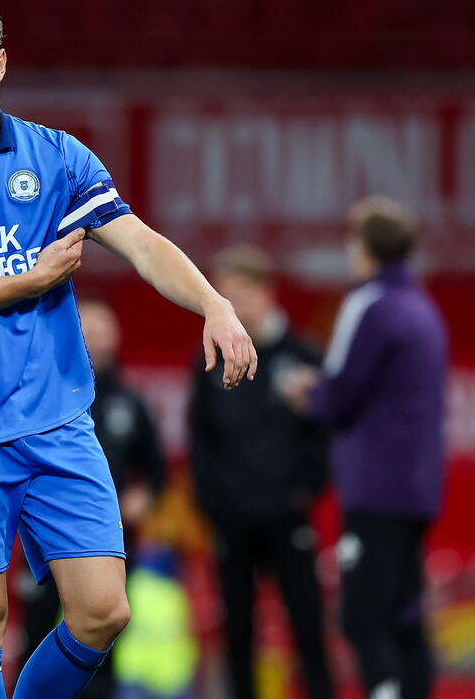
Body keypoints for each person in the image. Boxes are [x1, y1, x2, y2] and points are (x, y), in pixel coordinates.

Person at [0, 0, 257, 699]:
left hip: (57, 421)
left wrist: (213, 302)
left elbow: (141, 242)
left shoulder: (56, 157)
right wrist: (31, 279)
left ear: (2, 63)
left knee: (105, 610)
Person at [283, 196, 448, 699]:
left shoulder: (369, 304)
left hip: (375, 490)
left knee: (363, 615)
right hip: (417, 488)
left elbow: (338, 396)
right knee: (404, 615)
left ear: (363, 247)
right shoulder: (424, 308)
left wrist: (305, 392)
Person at [188, 245, 333, 699]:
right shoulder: (210, 357)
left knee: (308, 625)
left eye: (239, 292)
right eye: (223, 294)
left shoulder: (302, 354)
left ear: (266, 292)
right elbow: (200, 438)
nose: (230, 304)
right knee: (237, 630)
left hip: (287, 515)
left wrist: (303, 491)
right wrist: (213, 504)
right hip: (232, 519)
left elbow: (324, 435)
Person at [17, 297, 168, 699]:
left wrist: (144, 495)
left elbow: (156, 469)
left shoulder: (131, 402)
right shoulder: (40, 396)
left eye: (104, 331)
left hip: (109, 537)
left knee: (103, 633)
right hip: (45, 535)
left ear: (117, 338)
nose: (97, 339)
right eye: (89, 329)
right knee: (36, 628)